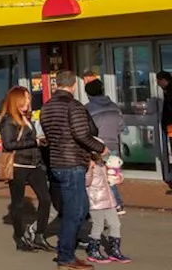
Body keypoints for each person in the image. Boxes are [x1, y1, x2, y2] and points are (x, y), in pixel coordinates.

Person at [42, 70, 109, 270]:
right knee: (76, 211)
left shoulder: (46, 107)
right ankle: (66, 256)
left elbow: (48, 133)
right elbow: (82, 134)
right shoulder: (74, 105)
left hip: (57, 162)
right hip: (72, 163)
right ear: (73, 86)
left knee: (77, 209)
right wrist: (100, 148)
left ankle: (65, 251)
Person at [0, 86, 53, 252]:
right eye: (26, 98)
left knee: (46, 199)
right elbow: (9, 144)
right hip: (18, 166)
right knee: (18, 203)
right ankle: (20, 238)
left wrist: (40, 142)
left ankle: (39, 235)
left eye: (29, 98)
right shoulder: (8, 120)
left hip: (34, 164)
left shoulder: (25, 117)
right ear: (17, 100)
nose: (29, 101)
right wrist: (34, 142)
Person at [83, 78, 125, 215]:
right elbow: (121, 126)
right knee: (112, 177)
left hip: (97, 146)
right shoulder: (114, 106)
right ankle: (117, 205)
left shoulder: (87, 109)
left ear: (88, 94)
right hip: (113, 143)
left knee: (99, 178)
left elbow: (86, 131)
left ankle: (113, 205)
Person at [84, 151, 131, 264]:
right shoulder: (88, 164)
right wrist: (90, 169)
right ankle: (93, 251)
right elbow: (86, 182)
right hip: (96, 199)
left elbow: (111, 177)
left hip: (109, 199)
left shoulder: (103, 163)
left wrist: (118, 177)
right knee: (98, 225)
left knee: (115, 224)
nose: (105, 152)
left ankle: (115, 251)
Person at [156, 71, 172, 189]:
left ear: (163, 80)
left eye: (158, 80)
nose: (157, 83)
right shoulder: (167, 91)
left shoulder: (169, 92)